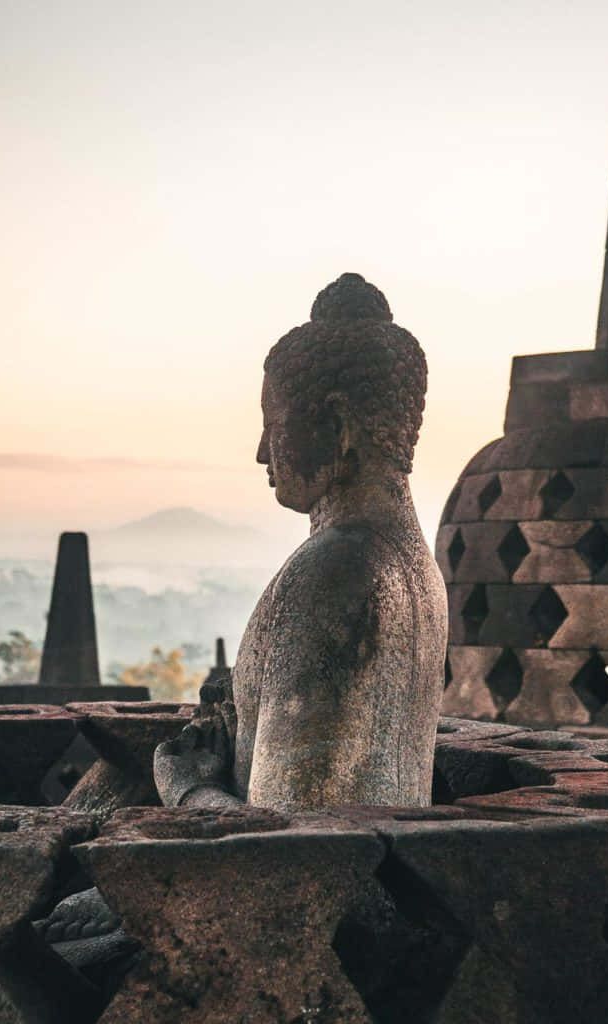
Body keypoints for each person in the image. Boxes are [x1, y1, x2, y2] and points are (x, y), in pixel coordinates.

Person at [154, 273, 447, 812]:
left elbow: (285, 839)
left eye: (274, 425)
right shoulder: (411, 561)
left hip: (316, 888)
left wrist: (185, 786)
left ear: (337, 424)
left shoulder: (334, 571)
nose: (263, 452)